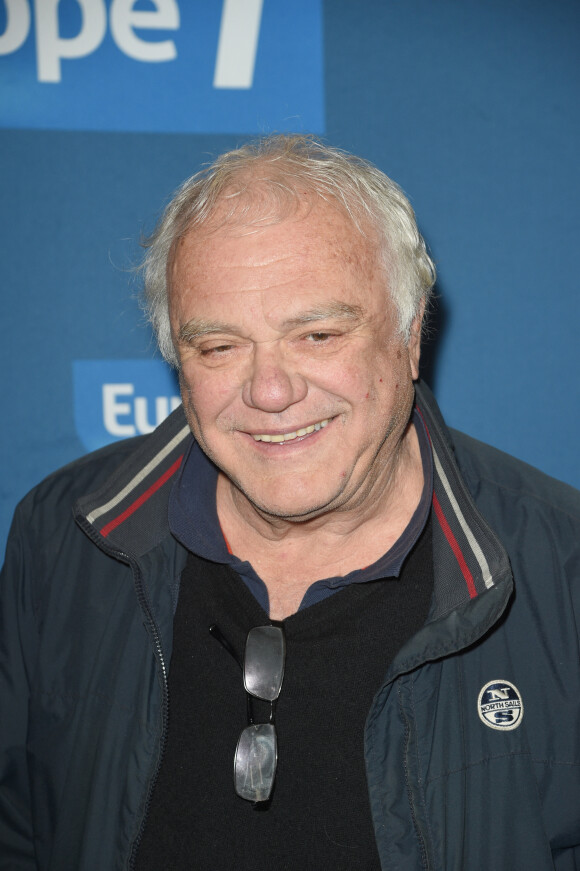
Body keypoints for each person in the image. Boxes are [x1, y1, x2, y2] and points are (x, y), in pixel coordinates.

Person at [1, 135, 579, 871]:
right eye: (218, 348)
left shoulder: (563, 575)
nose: (270, 391)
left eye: (317, 334)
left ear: (409, 334)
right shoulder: (65, 538)